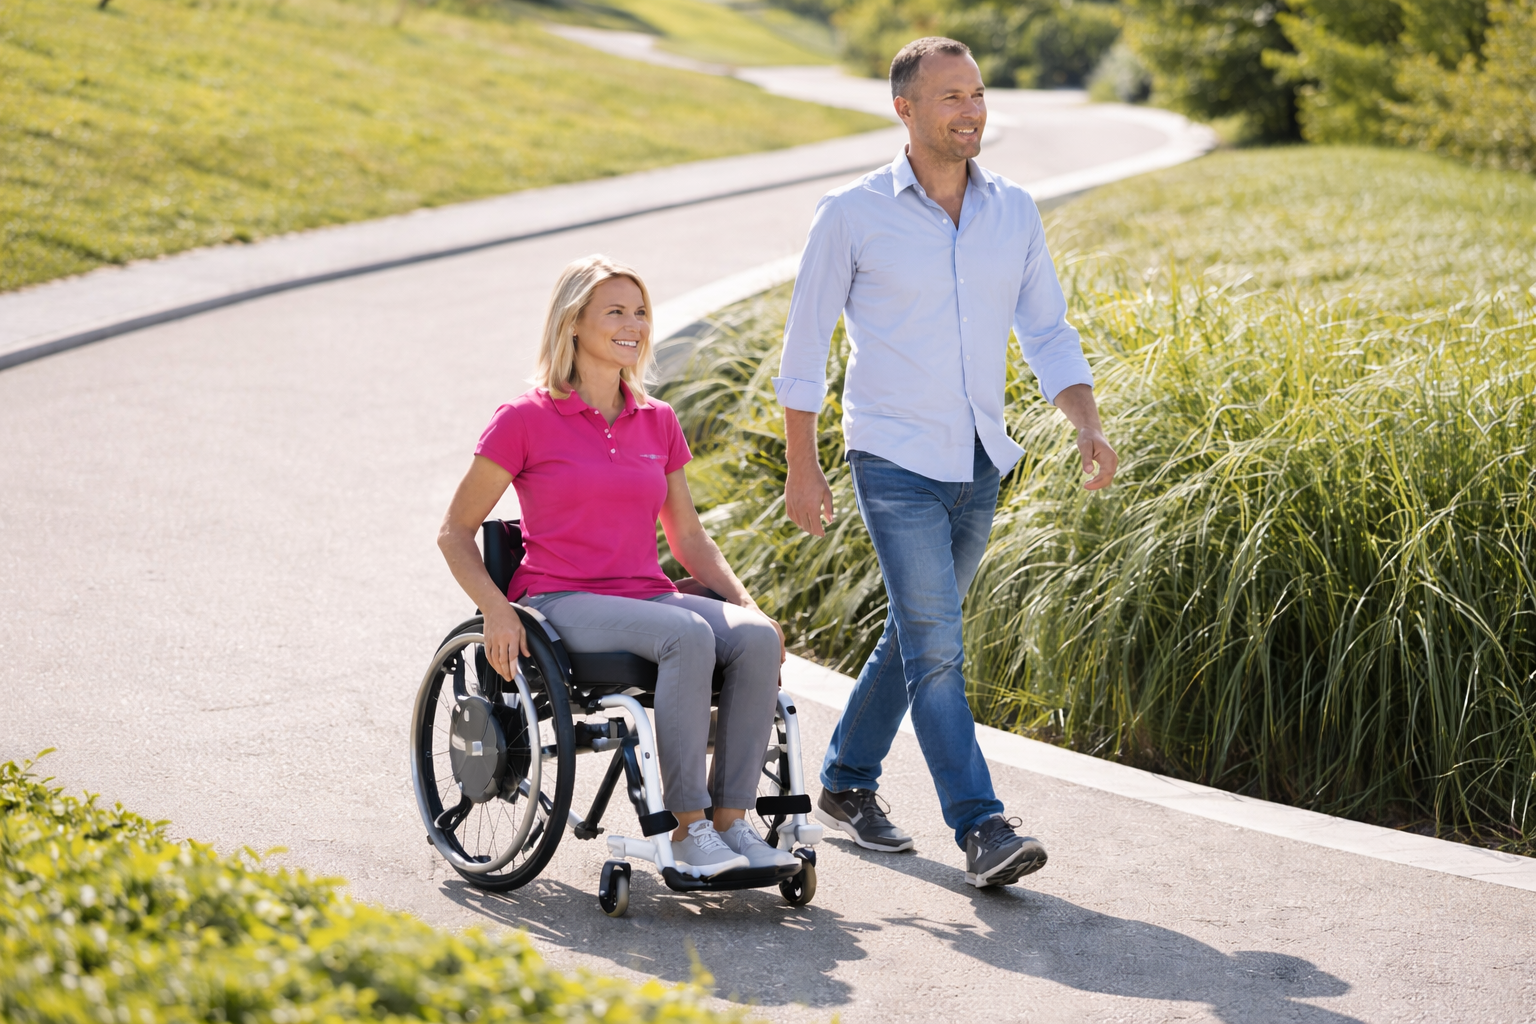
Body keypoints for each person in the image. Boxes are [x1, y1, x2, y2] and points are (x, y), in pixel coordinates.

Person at [774, 37, 1119, 887]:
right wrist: (801, 465)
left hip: (981, 461)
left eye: (976, 94)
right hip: (891, 457)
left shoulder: (1014, 211)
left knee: (915, 632)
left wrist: (1085, 420)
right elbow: (805, 344)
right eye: (950, 97)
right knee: (937, 644)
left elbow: (1046, 330)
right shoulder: (851, 214)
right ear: (904, 109)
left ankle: (846, 782)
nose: (971, 111)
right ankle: (982, 827)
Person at [438, 254, 797, 880]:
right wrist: (496, 609)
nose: (633, 324)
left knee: (757, 638)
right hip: (560, 601)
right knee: (684, 634)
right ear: (573, 322)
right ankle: (687, 832)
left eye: (640, 312)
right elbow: (455, 533)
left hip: (646, 598)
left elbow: (687, 536)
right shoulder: (524, 419)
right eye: (615, 312)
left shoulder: (657, 420)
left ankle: (730, 823)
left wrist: (746, 603)